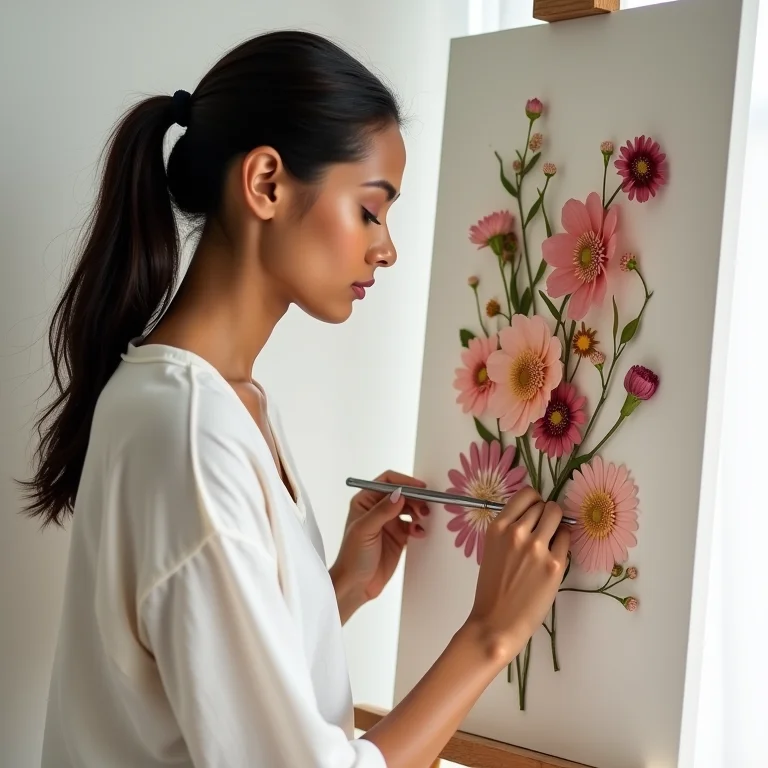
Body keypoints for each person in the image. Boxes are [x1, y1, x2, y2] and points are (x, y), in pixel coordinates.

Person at [25, 30, 570, 768]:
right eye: (371, 210)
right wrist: (490, 634)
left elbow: (208, 684)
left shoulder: (222, 402)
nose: (387, 249)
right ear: (266, 184)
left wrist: (336, 588)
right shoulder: (191, 435)